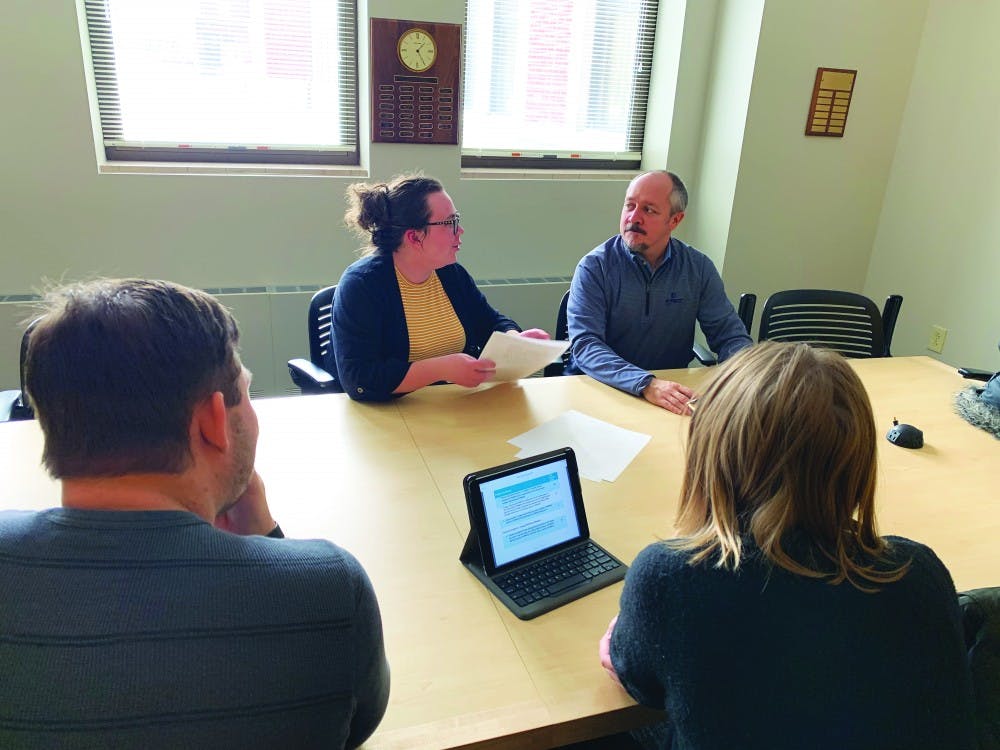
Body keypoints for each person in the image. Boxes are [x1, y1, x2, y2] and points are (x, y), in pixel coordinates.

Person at [0, 279, 389, 750]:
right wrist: (269, 541)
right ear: (212, 420)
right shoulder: (328, 589)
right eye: (246, 392)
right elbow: (352, 729)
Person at [598, 342, 976, 750]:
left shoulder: (669, 577)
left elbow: (640, 681)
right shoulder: (918, 573)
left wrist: (634, 634)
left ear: (711, 454)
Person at [333, 173, 549, 402]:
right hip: (389, 414)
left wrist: (514, 340)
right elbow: (359, 380)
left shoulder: (450, 273)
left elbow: (489, 321)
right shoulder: (363, 285)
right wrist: (440, 369)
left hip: (456, 406)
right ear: (414, 237)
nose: (461, 230)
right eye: (451, 223)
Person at [566, 170, 752, 414]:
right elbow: (585, 345)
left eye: (649, 210)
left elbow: (730, 336)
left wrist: (747, 377)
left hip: (668, 397)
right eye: (629, 205)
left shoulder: (697, 268)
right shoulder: (595, 266)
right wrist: (646, 384)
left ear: (675, 220)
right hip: (601, 393)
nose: (634, 217)